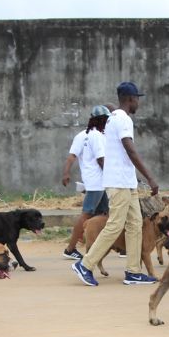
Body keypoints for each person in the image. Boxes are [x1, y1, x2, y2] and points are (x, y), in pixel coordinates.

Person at [71, 81, 159, 286]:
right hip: (119, 182)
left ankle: (133, 272)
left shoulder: (114, 119)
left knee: (135, 224)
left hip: (126, 181)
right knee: (115, 225)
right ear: (130, 99)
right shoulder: (123, 119)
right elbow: (130, 148)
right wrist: (149, 177)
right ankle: (85, 265)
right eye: (137, 98)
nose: (138, 102)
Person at [61, 105, 111, 260]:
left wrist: (66, 173)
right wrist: (113, 176)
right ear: (102, 120)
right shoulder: (98, 136)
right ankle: (70, 249)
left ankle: (107, 245)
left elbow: (71, 156)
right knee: (86, 214)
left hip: (93, 181)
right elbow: (101, 159)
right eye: (107, 120)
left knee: (106, 214)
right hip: (98, 182)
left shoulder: (82, 135)